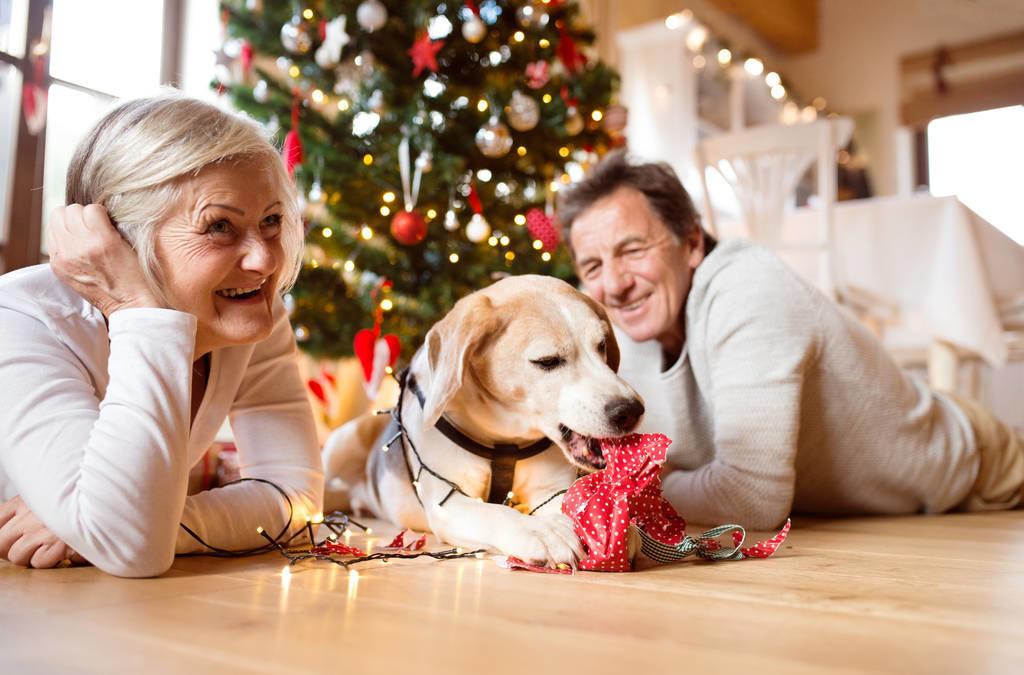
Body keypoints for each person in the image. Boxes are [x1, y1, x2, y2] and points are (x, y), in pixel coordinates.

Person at [558, 150, 1023, 529]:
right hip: (861, 507)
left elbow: (750, 499)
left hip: (977, 469)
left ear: (693, 243)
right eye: (593, 267)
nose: (614, 284)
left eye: (633, 250)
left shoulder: (748, 291)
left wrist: (635, 487)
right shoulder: (617, 327)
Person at [0, 93, 323, 577]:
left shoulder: (252, 317)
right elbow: (132, 547)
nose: (266, 260)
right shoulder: (21, 317)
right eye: (219, 226)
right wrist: (136, 308)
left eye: (271, 221)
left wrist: (134, 524)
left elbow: (296, 501)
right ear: (120, 238)